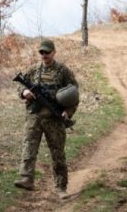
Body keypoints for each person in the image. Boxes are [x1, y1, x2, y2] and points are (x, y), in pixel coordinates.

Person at [14, 37, 79, 199]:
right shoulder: (33, 70)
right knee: (29, 147)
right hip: (34, 117)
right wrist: (24, 93)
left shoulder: (63, 71)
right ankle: (26, 178)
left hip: (54, 119)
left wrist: (68, 112)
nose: (44, 55)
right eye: (41, 52)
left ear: (54, 52)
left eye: (47, 52)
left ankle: (61, 188)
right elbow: (20, 87)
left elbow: (74, 94)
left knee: (57, 153)